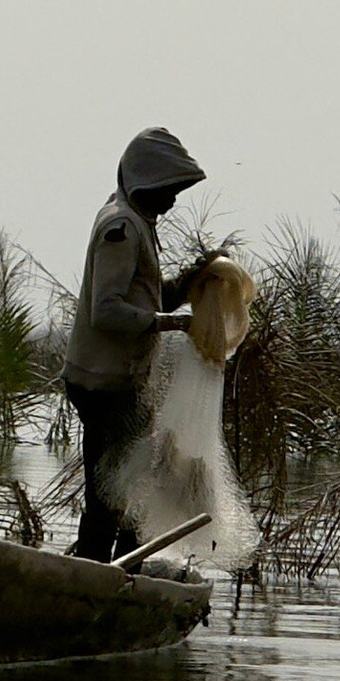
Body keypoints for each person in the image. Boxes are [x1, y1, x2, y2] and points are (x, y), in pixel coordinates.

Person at [61, 126, 222, 564]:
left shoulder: (137, 221)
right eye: (166, 189)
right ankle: (100, 572)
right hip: (103, 385)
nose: (172, 200)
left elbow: (146, 298)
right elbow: (107, 311)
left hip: (122, 383)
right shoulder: (122, 227)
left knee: (131, 484)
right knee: (113, 490)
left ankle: (116, 568)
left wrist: (192, 282)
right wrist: (171, 323)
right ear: (143, 182)